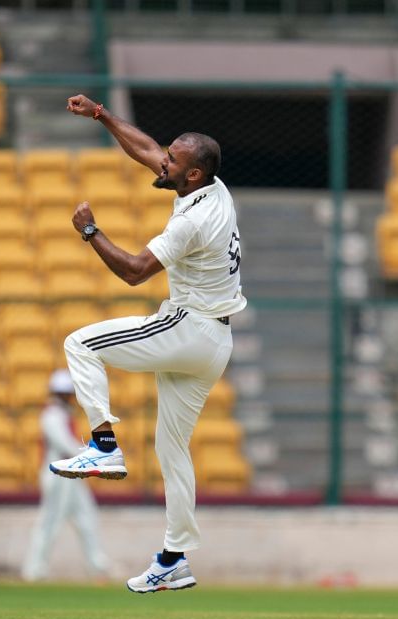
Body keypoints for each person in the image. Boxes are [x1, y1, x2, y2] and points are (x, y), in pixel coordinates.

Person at [51, 94, 246, 593]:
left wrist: (90, 231)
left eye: (173, 161)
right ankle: (174, 558)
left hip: (190, 326)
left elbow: (136, 273)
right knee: (172, 448)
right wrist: (102, 115)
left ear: (193, 175)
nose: (162, 162)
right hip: (215, 341)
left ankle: (103, 445)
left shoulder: (193, 221)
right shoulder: (212, 186)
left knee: (80, 343)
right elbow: (146, 151)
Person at [22, 370, 111, 582]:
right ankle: (34, 569)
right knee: (49, 522)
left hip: (70, 476)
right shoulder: (52, 415)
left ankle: (96, 565)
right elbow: (65, 445)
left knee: (86, 517)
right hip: (58, 475)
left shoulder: (61, 415)